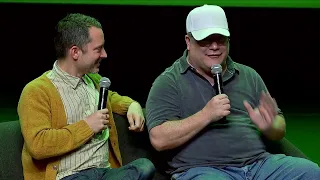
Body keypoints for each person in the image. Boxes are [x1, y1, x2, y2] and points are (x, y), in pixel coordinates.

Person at [146, 4, 320, 180]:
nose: (214, 46)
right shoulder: (168, 82)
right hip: (203, 170)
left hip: (258, 164)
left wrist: (271, 127)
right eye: (205, 40)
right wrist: (206, 115)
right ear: (188, 42)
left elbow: (279, 128)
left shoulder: (248, 75)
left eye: (220, 39)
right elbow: (159, 139)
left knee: (312, 172)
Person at [18, 13, 155, 180]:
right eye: (98, 49)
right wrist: (87, 126)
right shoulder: (37, 91)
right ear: (75, 52)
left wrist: (132, 105)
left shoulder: (94, 82)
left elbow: (113, 98)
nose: (104, 54)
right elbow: (38, 145)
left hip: (104, 173)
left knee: (144, 167)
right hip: (69, 176)